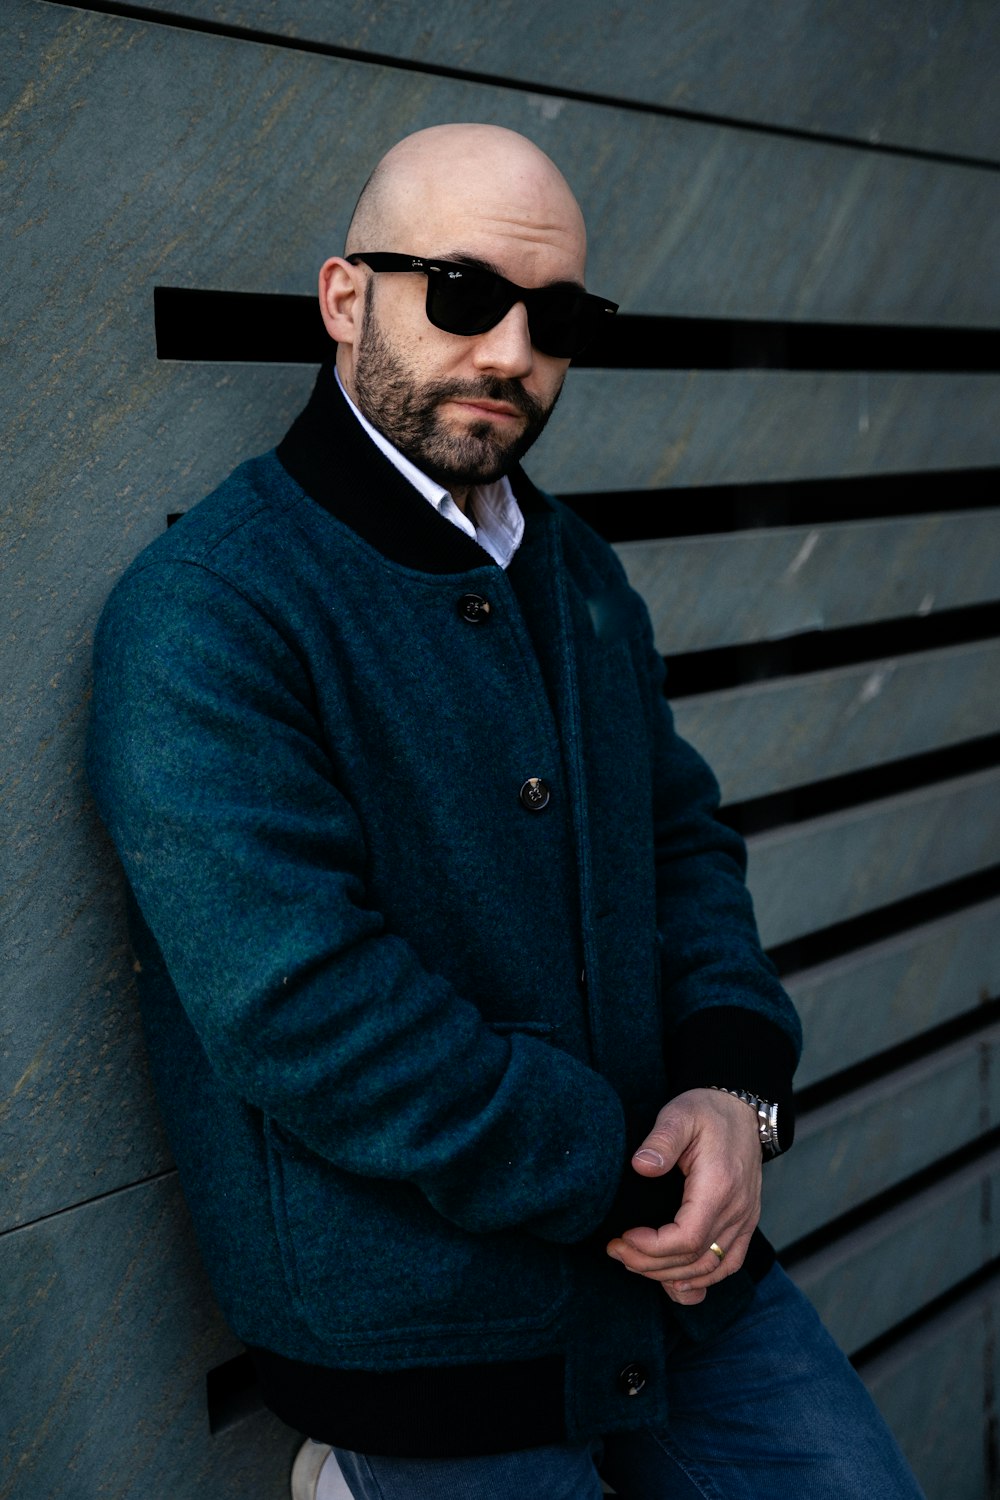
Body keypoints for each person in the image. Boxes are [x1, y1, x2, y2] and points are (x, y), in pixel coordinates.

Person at [87, 124, 923, 1500]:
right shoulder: (210, 611)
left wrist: (733, 1089)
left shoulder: (579, 568)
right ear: (348, 297)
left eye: (560, 316)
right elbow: (303, 1008)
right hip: (431, 1346)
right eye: (464, 294)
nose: (512, 352)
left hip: (687, 1293)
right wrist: (621, 1172)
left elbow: (684, 844)